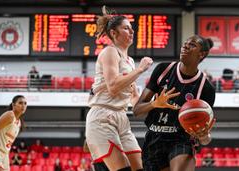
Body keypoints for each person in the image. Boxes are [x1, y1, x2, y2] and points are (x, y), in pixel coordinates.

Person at [133, 35, 216, 171]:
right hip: (154, 138)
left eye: (193, 45)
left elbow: (205, 139)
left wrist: (204, 136)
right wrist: (154, 104)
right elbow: (136, 110)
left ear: (202, 54)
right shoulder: (163, 70)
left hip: (181, 139)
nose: (186, 46)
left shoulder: (206, 88)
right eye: (185, 43)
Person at [85, 6, 153, 171]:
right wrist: (141, 70)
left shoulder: (129, 61)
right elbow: (113, 87)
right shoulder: (109, 52)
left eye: (131, 28)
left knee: (140, 168)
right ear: (114, 33)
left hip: (121, 117)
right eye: (126, 28)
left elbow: (134, 97)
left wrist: (154, 104)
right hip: (103, 116)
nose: (131, 31)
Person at [0, 95, 27, 171]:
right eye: (20, 103)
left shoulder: (19, 123)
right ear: (13, 105)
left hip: (4, 154)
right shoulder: (10, 115)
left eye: (25, 103)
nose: (23, 105)